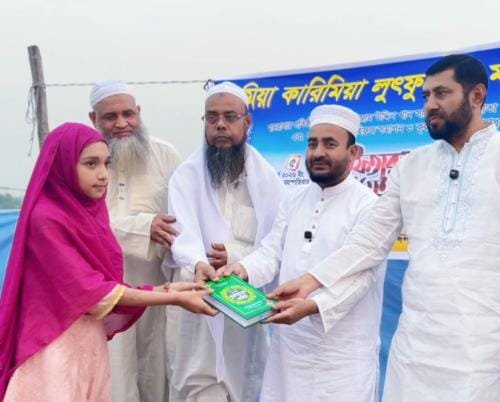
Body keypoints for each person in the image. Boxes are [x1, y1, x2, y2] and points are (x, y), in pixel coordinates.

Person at [269, 54, 500, 401]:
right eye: (426, 96)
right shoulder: (411, 165)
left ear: (477, 95)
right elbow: (369, 242)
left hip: (486, 349)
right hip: (416, 347)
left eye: (442, 93)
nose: (430, 105)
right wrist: (310, 281)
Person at [0, 123, 216, 402]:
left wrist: (162, 290)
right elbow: (90, 291)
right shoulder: (47, 218)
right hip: (53, 348)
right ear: (63, 164)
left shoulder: (89, 213)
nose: (103, 174)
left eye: (106, 163)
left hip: (88, 345)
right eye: (91, 164)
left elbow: (102, 285)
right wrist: (171, 297)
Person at [220, 104, 386, 402]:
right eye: (312, 144)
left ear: (354, 153)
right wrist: (242, 269)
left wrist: (313, 306)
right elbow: (271, 252)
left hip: (342, 355)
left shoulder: (370, 207)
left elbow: (362, 279)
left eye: (330, 144)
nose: (318, 153)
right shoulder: (294, 200)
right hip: (290, 348)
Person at [166, 81, 285, 402]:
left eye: (230, 117)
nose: (220, 125)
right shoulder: (185, 177)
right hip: (198, 302)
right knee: (197, 385)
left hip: (244, 308)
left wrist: (237, 260)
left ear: (247, 122)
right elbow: (181, 234)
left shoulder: (268, 183)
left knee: (242, 386)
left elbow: (275, 244)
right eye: (212, 117)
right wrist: (198, 262)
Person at [89, 80, 182, 402]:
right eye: (110, 117)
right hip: (105, 287)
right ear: (93, 119)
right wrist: (144, 226)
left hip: (155, 283)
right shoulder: (86, 160)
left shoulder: (166, 155)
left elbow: (181, 217)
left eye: (128, 114)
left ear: (139, 112)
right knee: (115, 370)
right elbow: (83, 225)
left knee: (156, 367)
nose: (121, 123)